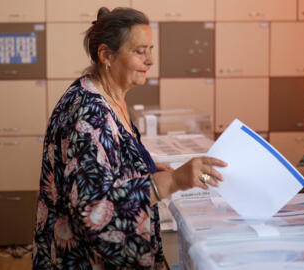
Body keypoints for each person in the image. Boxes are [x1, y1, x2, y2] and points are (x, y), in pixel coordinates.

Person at [32, 7, 226, 269]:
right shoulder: (88, 114)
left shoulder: (109, 98)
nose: (150, 60)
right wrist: (172, 181)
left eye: (150, 49)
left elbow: (109, 159)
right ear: (106, 55)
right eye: (139, 51)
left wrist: (144, 166)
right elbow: (93, 212)